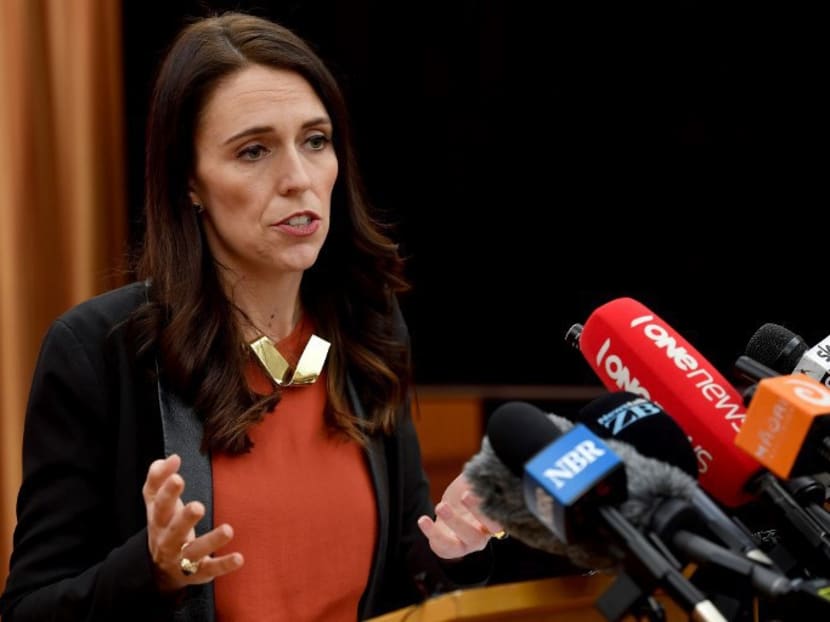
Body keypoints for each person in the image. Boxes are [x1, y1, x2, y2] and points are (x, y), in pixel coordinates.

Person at [0, 11, 504, 621]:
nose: (298, 179)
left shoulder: (366, 325)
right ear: (189, 181)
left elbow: (402, 573)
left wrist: (457, 547)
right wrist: (152, 571)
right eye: (254, 151)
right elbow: (29, 610)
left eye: (315, 141)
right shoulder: (98, 351)